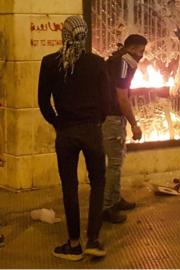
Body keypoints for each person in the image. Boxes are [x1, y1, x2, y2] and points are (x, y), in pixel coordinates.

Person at [38, 16, 109, 260]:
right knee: (98, 182)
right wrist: (96, 121)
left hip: (66, 131)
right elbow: (107, 101)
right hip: (92, 131)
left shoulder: (49, 63)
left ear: (64, 35)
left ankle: (74, 243)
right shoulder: (97, 63)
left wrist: (58, 123)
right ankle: (94, 240)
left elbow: (43, 102)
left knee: (70, 186)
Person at [102, 34, 147, 223]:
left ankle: (115, 198)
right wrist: (134, 124)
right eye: (141, 51)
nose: (142, 55)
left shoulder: (120, 61)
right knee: (114, 163)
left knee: (117, 160)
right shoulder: (122, 63)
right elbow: (122, 97)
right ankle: (106, 207)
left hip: (112, 118)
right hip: (111, 118)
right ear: (133, 49)